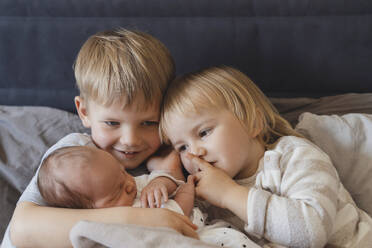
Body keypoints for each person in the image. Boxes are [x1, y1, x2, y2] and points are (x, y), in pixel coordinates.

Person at [3, 29, 196, 248]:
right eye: (112, 123)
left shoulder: (173, 149)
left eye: (149, 123)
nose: (130, 140)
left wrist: (169, 175)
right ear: (84, 111)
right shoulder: (75, 155)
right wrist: (141, 220)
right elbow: (23, 228)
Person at [159, 65, 372, 247]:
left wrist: (229, 194)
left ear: (253, 123)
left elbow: (311, 231)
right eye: (182, 147)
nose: (194, 152)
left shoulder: (294, 156)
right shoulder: (205, 193)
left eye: (204, 133)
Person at [37, 135, 259, 248]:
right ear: (88, 210)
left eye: (123, 173)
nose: (129, 184)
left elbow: (166, 183)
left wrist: (163, 182)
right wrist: (188, 190)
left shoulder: (136, 188)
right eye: (117, 191)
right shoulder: (113, 226)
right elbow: (180, 208)